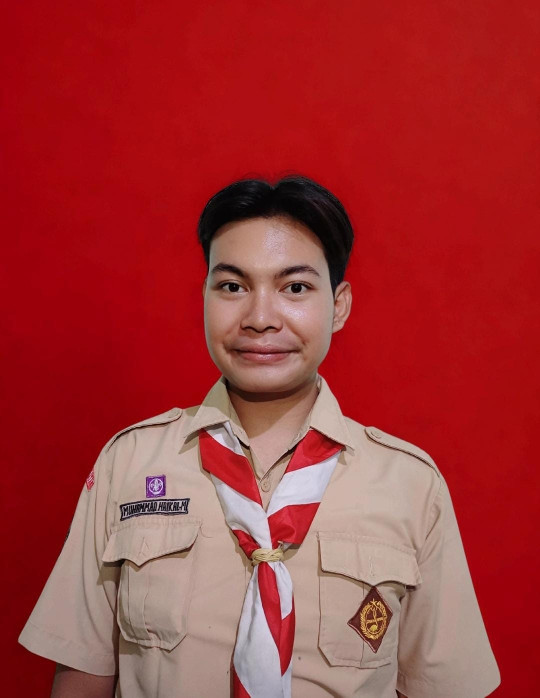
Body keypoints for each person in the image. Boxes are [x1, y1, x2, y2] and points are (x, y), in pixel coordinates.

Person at [19, 175, 501, 697]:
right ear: (204, 296)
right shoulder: (129, 464)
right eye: (232, 286)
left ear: (339, 305)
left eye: (295, 288)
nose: (260, 318)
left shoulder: (411, 485)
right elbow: (84, 674)